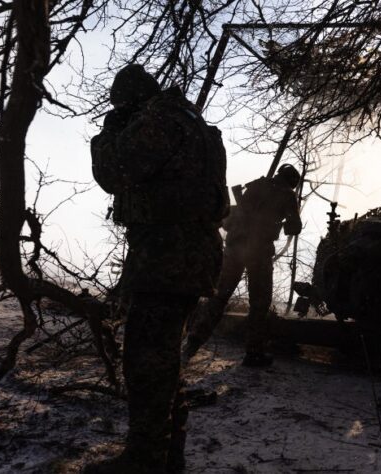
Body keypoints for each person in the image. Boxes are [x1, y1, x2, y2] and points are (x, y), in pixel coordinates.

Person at [85, 64, 227, 474]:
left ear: (129, 101)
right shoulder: (192, 122)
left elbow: (113, 172)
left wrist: (108, 132)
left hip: (168, 255)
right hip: (188, 253)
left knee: (146, 361)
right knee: (163, 359)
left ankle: (144, 461)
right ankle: (167, 456)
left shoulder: (158, 120)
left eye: (120, 107)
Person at [185, 164, 302, 367]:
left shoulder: (256, 185)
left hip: (235, 248)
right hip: (259, 252)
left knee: (218, 297)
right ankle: (253, 352)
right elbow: (294, 227)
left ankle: (192, 343)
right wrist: (281, 221)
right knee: (259, 303)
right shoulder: (287, 195)